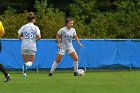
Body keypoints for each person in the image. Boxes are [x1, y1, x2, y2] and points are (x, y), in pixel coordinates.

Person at [17, 12, 41, 78]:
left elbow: (18, 36)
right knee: (31, 62)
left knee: (25, 61)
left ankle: (24, 74)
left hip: (24, 45)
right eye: (35, 19)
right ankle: (25, 69)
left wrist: (23, 39)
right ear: (33, 20)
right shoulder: (35, 27)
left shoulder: (24, 26)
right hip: (32, 46)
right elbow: (39, 37)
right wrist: (34, 40)